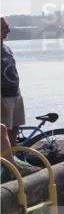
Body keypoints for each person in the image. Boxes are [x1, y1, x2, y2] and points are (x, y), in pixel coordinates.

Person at [1, 17, 26, 150]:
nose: (9, 30)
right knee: (3, 133)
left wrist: (19, 93)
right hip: (3, 98)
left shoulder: (7, 48)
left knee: (15, 130)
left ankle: (13, 164)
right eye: (5, 27)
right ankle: (7, 165)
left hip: (16, 95)